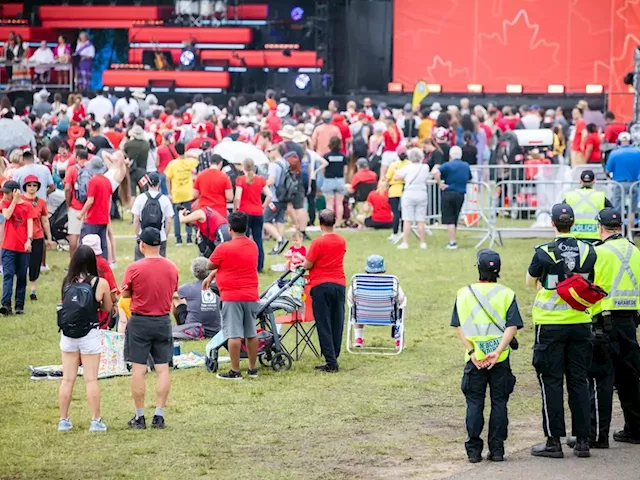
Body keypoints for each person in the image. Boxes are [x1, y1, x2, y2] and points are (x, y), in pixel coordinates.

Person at [526, 203, 596, 459]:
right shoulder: (589, 249)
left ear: (553, 223)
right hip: (580, 322)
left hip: (550, 325)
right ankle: (583, 440)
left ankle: (553, 441)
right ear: (574, 223)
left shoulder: (543, 251)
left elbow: (529, 281)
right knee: (579, 380)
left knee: (551, 382)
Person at [576, 208, 640, 447]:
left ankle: (596, 435)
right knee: (630, 378)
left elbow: (585, 284)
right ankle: (635, 428)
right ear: (620, 227)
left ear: (600, 228)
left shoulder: (597, 252)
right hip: (630, 322)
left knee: (600, 379)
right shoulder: (635, 251)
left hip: (602, 322)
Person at [451, 249, 522, 463]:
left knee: (474, 404)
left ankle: (473, 451)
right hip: (499, 359)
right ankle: (497, 449)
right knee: (499, 403)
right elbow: (512, 327)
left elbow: (459, 326)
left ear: (478, 268)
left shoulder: (464, 293)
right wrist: (498, 350)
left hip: (475, 359)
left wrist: (473, 351)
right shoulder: (507, 293)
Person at [122, 227, 179, 430]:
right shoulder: (172, 267)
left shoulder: (134, 268)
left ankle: (140, 416)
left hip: (140, 322)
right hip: (163, 321)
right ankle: (159, 415)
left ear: (142, 244)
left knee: (139, 370)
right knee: (163, 369)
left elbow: (126, 294)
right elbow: (173, 291)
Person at [57, 245, 113, 432]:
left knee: (67, 379)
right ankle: (95, 420)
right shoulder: (100, 283)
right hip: (89, 333)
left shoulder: (66, 282)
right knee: (91, 380)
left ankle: (63, 420)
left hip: (68, 333)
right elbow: (107, 308)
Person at [202, 212, 260, 380]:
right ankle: (252, 368)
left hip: (231, 295)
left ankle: (235, 370)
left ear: (229, 229)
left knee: (233, 334)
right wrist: (212, 276)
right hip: (250, 294)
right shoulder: (253, 246)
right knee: (251, 333)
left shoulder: (224, 248)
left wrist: (212, 273)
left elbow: (210, 263)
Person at [302, 210, 347, 373]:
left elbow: (308, 265)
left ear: (320, 224)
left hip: (321, 284)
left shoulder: (318, 243)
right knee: (337, 321)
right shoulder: (341, 241)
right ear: (334, 222)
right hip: (339, 283)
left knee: (324, 323)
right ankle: (335, 353)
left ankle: (330, 361)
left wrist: (303, 262)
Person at [349, 255, 406, 348]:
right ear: (383, 269)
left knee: (356, 307)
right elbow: (401, 299)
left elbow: (350, 299)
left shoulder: (357, 282)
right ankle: (398, 340)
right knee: (400, 307)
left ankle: (358, 338)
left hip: (363, 316)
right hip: (388, 317)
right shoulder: (392, 282)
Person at [0, 180, 34, 316]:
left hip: (22, 247)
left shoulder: (27, 206)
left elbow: (30, 223)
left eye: (8, 193)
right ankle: (6, 304)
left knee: (21, 276)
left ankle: (19, 305)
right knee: (8, 275)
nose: (5, 195)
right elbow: (7, 215)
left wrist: (29, 240)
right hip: (8, 246)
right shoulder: (5, 203)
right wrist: (13, 200)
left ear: (15, 191)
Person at [235, 157, 271, 272]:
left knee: (243, 240)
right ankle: (259, 265)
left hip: (244, 212)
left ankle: (244, 264)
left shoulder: (240, 180)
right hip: (257, 212)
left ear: (243, 167)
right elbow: (269, 195)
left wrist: (236, 209)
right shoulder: (260, 180)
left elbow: (237, 197)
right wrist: (263, 206)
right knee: (258, 240)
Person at [432, 145, 472, 249]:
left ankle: (452, 242)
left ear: (450, 155)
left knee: (449, 219)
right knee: (455, 217)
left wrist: (440, 183)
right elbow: (469, 178)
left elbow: (435, 172)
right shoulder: (466, 165)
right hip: (460, 194)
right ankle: (453, 238)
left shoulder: (448, 165)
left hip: (449, 192)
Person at [22, 175, 53, 302]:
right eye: (29, 185)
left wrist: (49, 238)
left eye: (34, 185)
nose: (32, 188)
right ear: (25, 187)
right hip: (22, 237)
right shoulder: (20, 200)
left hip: (38, 236)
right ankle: (21, 288)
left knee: (35, 264)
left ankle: (33, 290)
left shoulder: (41, 202)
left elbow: (45, 221)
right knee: (22, 264)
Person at [172, 257, 221, 339]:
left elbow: (172, 295)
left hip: (194, 329)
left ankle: (180, 327)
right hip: (215, 330)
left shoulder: (188, 287)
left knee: (177, 299)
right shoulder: (217, 286)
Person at [131, 172, 174, 260]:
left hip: (143, 235)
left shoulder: (140, 198)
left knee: (140, 262)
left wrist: (138, 234)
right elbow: (168, 221)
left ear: (147, 183)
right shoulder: (165, 199)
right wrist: (164, 235)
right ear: (159, 183)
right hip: (159, 235)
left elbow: (136, 220)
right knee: (159, 264)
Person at [394, 148, 430, 250]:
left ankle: (405, 242)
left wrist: (396, 171)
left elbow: (396, 177)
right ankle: (422, 242)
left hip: (409, 193)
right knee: (420, 220)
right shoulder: (425, 167)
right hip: (422, 193)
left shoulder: (407, 168)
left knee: (407, 220)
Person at [163, 143, 198, 246]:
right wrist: (188, 155)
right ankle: (189, 238)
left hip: (176, 192)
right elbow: (197, 158)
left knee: (177, 216)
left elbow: (167, 179)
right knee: (188, 214)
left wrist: (169, 192)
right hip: (187, 192)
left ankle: (178, 239)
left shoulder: (172, 164)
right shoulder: (189, 162)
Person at [563, 170, 612, 242]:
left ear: (580, 181)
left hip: (574, 235)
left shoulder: (570, 196)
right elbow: (611, 213)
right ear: (594, 181)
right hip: (595, 236)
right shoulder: (600, 196)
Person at [77, 157, 111, 260]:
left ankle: (83, 264)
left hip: (92, 218)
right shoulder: (107, 181)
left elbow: (90, 200)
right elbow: (109, 201)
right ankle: (103, 264)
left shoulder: (93, 181)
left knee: (86, 244)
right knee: (101, 244)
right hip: (103, 218)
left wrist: (81, 213)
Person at [81, 234, 118, 329]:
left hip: (80, 305)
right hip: (99, 308)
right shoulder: (102, 263)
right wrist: (114, 303)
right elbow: (111, 287)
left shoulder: (78, 262)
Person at [605, 132, 640, 227]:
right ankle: (631, 233)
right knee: (632, 210)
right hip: (634, 184)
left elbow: (607, 170)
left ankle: (618, 230)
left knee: (617, 209)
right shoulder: (637, 152)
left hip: (619, 184)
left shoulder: (614, 153)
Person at [263, 144, 290, 255]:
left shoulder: (273, 165)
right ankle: (279, 246)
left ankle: (280, 240)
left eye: (270, 151)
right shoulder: (285, 163)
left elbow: (271, 180)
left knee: (265, 220)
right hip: (284, 196)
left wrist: (263, 185)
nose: (268, 153)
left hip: (274, 197)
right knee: (280, 220)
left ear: (276, 151)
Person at [63, 149, 90, 256]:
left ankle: (73, 263)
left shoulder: (72, 170)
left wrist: (68, 203)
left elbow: (67, 188)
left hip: (75, 206)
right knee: (88, 237)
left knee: (74, 235)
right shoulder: (91, 169)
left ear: (77, 158)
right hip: (89, 207)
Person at [322, 136, 348, 227]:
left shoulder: (326, 156)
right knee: (339, 203)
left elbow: (323, 169)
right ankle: (339, 222)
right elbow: (345, 170)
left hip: (329, 179)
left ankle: (329, 222)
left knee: (329, 203)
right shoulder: (343, 156)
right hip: (340, 179)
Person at [385, 145, 409, 243]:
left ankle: (395, 232)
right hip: (405, 190)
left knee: (395, 213)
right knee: (404, 213)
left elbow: (387, 178)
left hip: (394, 191)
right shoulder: (409, 164)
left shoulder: (393, 165)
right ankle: (404, 231)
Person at [123, 125, 150, 199]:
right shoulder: (146, 144)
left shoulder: (128, 144)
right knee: (144, 192)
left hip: (131, 171)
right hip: (143, 171)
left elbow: (123, 153)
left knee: (132, 193)